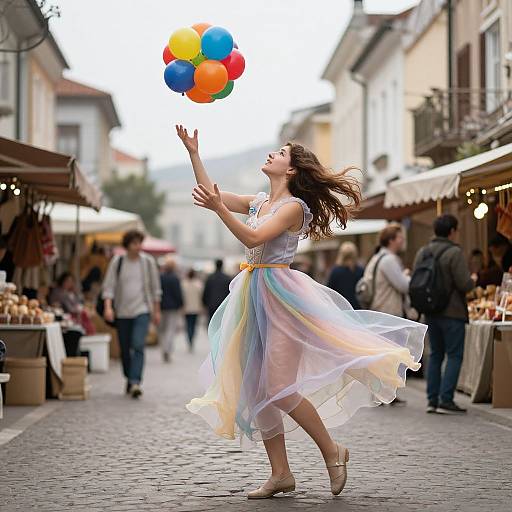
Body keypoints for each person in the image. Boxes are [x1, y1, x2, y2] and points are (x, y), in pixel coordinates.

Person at [177, 125, 426, 499]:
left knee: (279, 388)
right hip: (252, 295)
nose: (272, 155)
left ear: (291, 170)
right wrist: (194, 153)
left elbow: (253, 238)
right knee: (258, 386)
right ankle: (280, 474)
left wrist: (217, 210)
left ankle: (332, 450)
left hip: (281, 298)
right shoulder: (261, 201)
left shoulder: (294, 207)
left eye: (280, 153)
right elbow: (216, 196)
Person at [413, 215, 476, 415]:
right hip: (452, 312)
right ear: (452, 231)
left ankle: (432, 400)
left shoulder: (423, 252)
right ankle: (446, 399)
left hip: (431, 312)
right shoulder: (454, 252)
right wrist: (473, 279)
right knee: (454, 355)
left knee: (436, 354)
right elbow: (464, 284)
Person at [102, 230, 162, 399]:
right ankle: (129, 377)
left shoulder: (148, 262)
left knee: (138, 344)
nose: (138, 246)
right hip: (122, 311)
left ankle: (135, 381)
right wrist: (108, 307)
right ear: (127, 245)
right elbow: (109, 286)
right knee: (124, 348)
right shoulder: (118, 261)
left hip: (142, 310)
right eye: (134, 243)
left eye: (139, 243)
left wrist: (156, 311)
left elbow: (156, 289)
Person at [159, 255, 183, 362]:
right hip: (173, 307)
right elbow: (178, 293)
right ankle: (167, 349)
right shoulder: (175, 278)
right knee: (170, 329)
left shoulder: (160, 277)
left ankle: (164, 347)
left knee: (162, 330)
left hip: (161, 306)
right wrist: (180, 304)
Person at [326, 241, 364, 309]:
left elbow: (330, 290)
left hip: (341, 307)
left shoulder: (336, 271)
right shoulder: (360, 270)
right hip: (358, 307)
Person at [182, 268, 203, 352]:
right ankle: (192, 339)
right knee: (193, 325)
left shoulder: (183, 284)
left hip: (186, 308)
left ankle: (189, 339)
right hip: (196, 308)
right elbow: (201, 296)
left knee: (188, 325)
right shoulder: (198, 284)